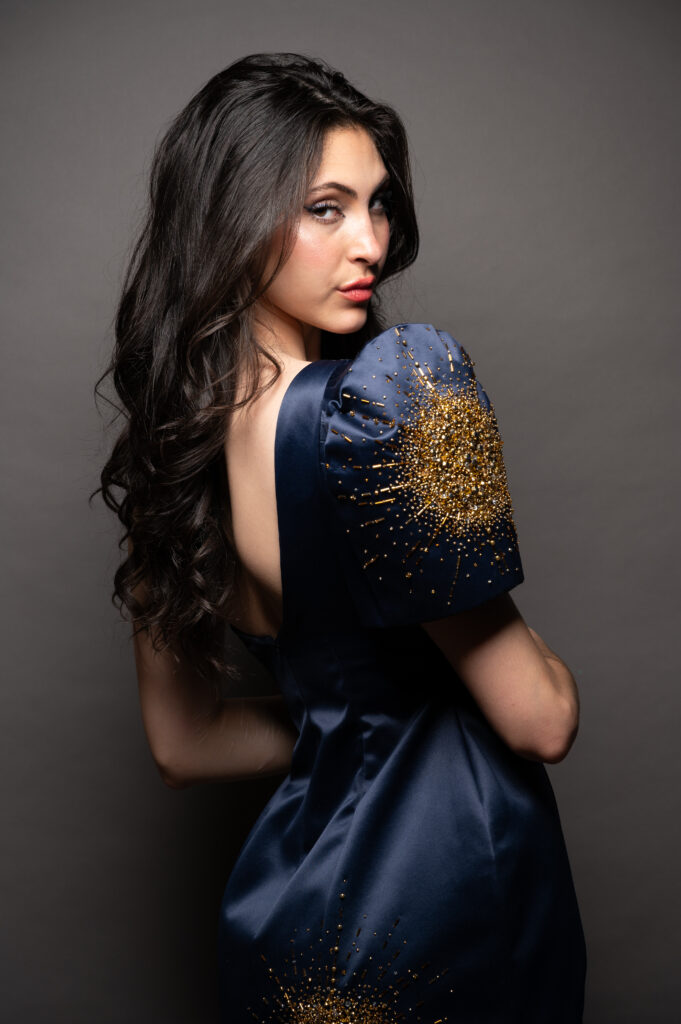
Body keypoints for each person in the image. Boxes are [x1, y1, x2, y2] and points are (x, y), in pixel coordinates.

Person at [97, 52, 587, 1023]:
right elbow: (543, 720)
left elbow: (184, 742)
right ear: (232, 216)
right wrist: (520, 674)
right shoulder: (382, 411)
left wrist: (351, 722)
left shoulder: (169, 453)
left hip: (298, 908)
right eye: (324, 209)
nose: (369, 242)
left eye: (378, 205)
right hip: (450, 895)